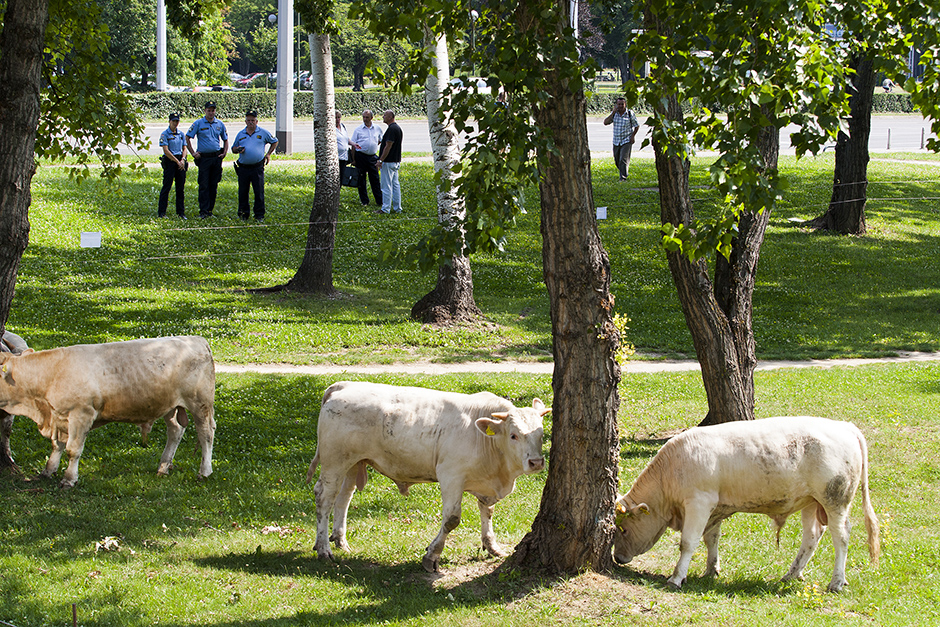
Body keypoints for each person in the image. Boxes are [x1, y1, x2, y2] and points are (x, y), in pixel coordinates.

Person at [231, 110, 278, 222]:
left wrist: (268, 154)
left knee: (259, 191)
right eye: (248, 120)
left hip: (257, 167)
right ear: (245, 121)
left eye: (253, 120)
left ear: (257, 121)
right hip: (243, 168)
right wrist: (237, 149)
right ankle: (243, 214)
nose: (250, 122)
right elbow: (233, 148)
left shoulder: (263, 133)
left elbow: (274, 141)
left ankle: (259, 215)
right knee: (243, 192)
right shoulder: (241, 134)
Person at [186, 101, 229, 218]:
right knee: (204, 185)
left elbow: (225, 139)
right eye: (209, 110)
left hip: (216, 158)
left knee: (213, 185)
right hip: (204, 159)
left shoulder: (220, 124)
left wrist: (224, 152)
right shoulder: (198, 123)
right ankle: (203, 211)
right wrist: (193, 153)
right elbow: (187, 137)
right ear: (205, 111)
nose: (211, 112)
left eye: (213, 110)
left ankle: (210, 210)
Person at [157, 112, 189, 219]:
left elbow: (185, 148)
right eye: (173, 121)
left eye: (177, 121)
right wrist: (177, 161)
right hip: (170, 161)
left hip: (180, 162)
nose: (175, 123)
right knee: (166, 187)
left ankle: (181, 213)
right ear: (169, 121)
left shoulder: (181, 134)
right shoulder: (165, 134)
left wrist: (183, 160)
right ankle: (162, 212)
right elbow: (166, 150)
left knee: (180, 188)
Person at [350, 109, 383, 207]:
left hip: (372, 157)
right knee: (361, 179)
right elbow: (353, 145)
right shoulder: (358, 129)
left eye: (367, 117)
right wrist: (353, 159)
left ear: (371, 118)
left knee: (375, 179)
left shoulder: (377, 128)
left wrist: (372, 146)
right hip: (361, 156)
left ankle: (379, 200)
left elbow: (380, 140)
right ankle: (364, 201)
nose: (365, 119)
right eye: (363, 117)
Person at [604, 96, 640, 181]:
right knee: (617, 160)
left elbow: (636, 126)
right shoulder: (615, 114)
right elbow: (605, 122)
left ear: (625, 104)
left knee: (623, 159)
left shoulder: (630, 113)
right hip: (616, 141)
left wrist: (633, 136)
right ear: (616, 105)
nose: (620, 106)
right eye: (619, 104)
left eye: (622, 104)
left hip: (626, 140)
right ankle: (622, 171)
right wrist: (613, 113)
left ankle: (623, 178)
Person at [376, 109, 403, 214]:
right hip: (395, 161)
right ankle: (397, 208)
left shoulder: (391, 129)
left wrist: (381, 160)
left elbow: (388, 146)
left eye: (385, 115)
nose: (383, 117)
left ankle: (385, 208)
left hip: (388, 161)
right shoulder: (397, 128)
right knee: (395, 185)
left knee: (386, 186)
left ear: (390, 117)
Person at [336, 110, 354, 184]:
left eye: (339, 117)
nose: (337, 119)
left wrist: (353, 144)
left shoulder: (342, 126)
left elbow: (346, 139)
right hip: (336, 158)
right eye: (335, 118)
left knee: (342, 177)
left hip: (344, 157)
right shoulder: (331, 129)